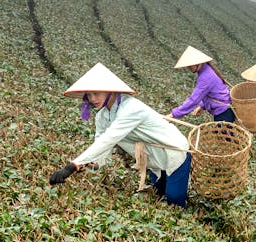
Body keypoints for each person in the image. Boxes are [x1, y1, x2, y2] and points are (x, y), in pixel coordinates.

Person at [49, 61, 192, 207]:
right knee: (159, 194)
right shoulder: (102, 116)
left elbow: (109, 139)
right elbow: (101, 144)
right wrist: (94, 164)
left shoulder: (131, 108)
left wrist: (72, 166)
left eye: (96, 93)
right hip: (152, 156)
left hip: (173, 151)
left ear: (110, 91)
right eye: (89, 95)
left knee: (174, 199)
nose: (92, 99)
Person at [171, 46, 235, 122]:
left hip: (224, 113)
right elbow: (212, 93)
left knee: (221, 133)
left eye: (190, 65)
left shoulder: (205, 77)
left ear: (198, 63)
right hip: (225, 110)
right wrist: (201, 106)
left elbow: (193, 100)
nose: (189, 68)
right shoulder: (207, 69)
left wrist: (174, 114)